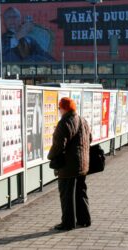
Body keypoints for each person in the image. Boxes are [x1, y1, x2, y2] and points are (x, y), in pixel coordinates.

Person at [48, 97, 92, 231]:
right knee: (80, 192)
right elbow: (89, 139)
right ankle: (85, 219)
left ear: (64, 108)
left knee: (67, 195)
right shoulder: (82, 120)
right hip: (83, 164)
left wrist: (51, 156)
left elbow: (58, 144)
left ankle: (68, 223)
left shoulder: (65, 122)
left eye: (59, 108)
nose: (59, 110)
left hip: (69, 166)